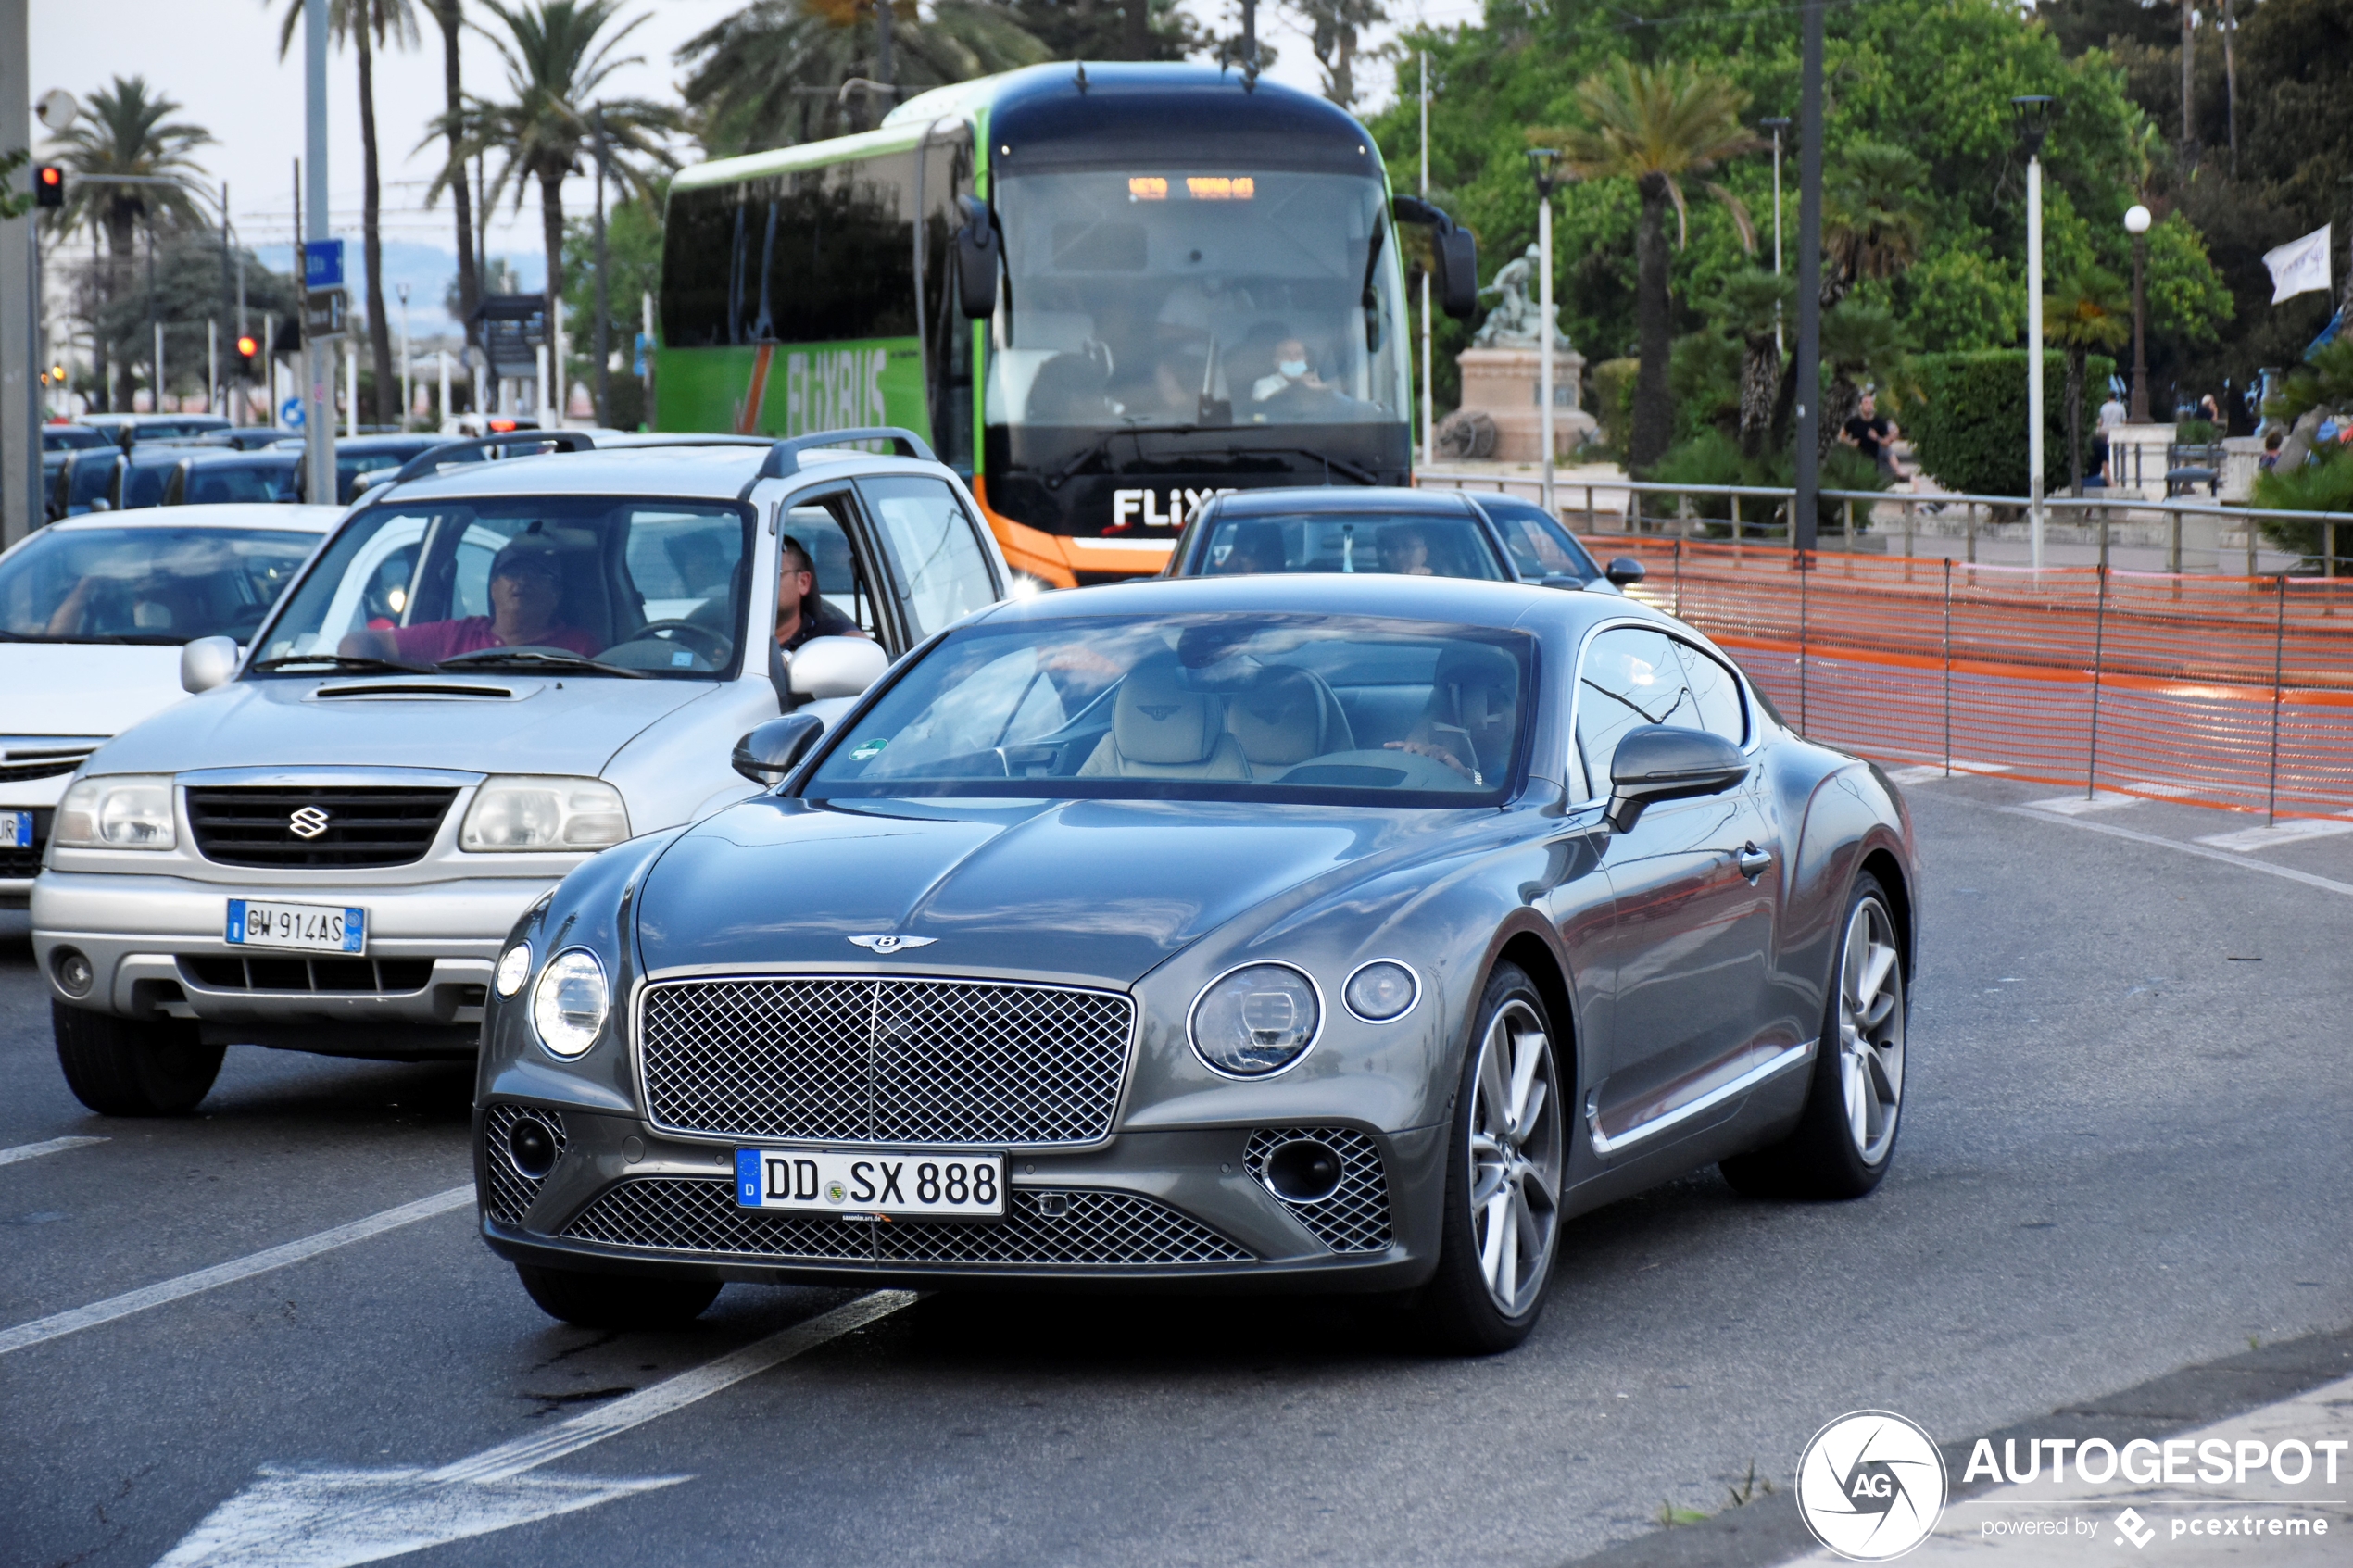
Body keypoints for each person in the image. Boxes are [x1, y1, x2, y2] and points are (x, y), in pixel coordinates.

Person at [341, 533, 598, 663]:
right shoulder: (457, 635)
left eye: (537, 574)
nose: (522, 581)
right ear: (493, 587)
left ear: (556, 595)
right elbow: (357, 644)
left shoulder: (580, 649)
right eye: (511, 572)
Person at [774, 533, 867, 653]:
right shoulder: (742, 636)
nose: (760, 581)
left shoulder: (826, 634)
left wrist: (789, 659)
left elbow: (863, 648)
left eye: (775, 572)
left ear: (803, 582)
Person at [1840, 390, 1899, 476]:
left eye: (1871, 403)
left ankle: (1899, 472)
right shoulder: (1853, 422)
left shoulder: (1879, 422)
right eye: (1866, 403)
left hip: (1873, 462)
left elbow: (1886, 443)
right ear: (1861, 405)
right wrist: (1850, 442)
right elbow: (1842, 435)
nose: (1869, 405)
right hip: (1856, 462)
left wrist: (1877, 437)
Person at [1251, 339, 1327, 404]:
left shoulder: (1317, 382)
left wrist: (1322, 390)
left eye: (1298, 354)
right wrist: (1302, 388)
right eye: (1286, 354)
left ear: (1306, 360)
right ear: (1276, 362)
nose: (1293, 359)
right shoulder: (1264, 385)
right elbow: (1269, 410)